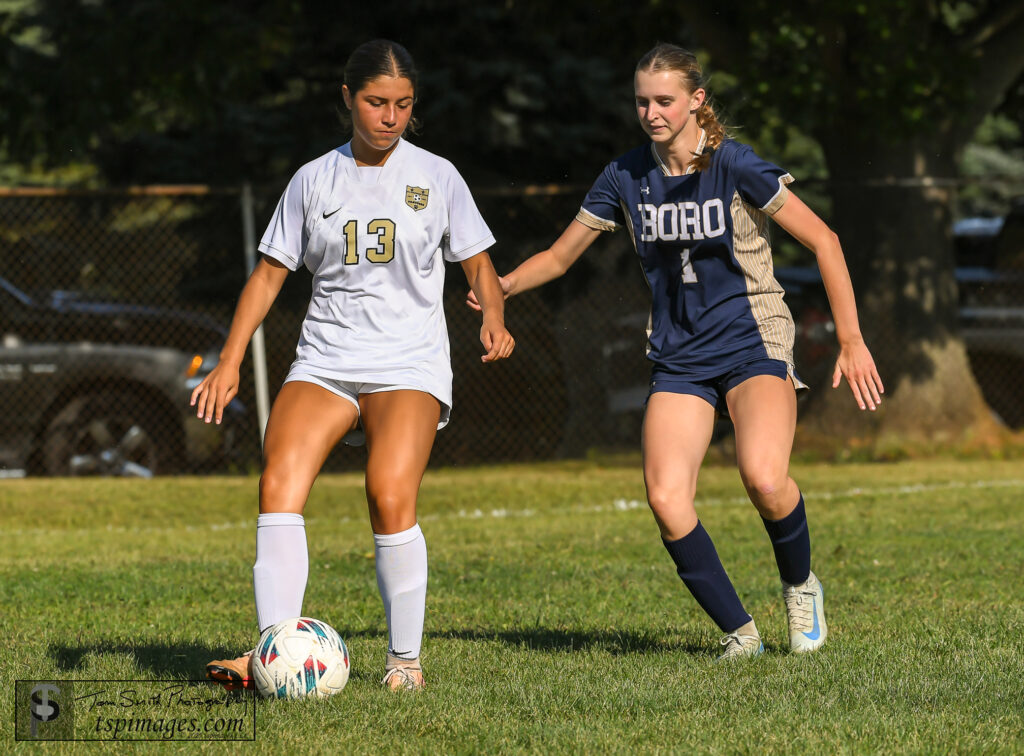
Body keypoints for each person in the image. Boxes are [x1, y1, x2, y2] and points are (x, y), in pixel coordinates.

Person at [469, 43, 883, 659]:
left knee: (765, 479)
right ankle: (741, 636)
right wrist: (502, 286)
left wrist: (851, 340)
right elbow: (560, 257)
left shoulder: (734, 165)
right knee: (666, 500)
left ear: (696, 101)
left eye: (665, 100)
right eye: (642, 101)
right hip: (680, 355)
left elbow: (825, 240)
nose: (652, 112)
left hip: (753, 342)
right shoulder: (625, 176)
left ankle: (800, 586)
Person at [193, 39, 514, 691]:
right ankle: (272, 657)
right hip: (327, 360)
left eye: (402, 104)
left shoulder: (438, 176)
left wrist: (494, 313)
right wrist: (228, 362)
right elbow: (267, 276)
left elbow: (478, 260)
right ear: (347, 98)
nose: (390, 116)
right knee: (279, 483)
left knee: (389, 494)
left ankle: (404, 663)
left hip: (409, 362)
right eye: (375, 102)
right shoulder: (314, 180)